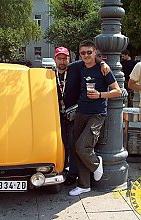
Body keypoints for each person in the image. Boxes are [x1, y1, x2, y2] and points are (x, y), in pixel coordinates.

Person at [68, 40, 121, 196]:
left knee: (82, 147)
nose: (86, 55)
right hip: (80, 112)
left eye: (89, 52)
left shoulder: (103, 70)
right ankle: (84, 185)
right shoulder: (80, 67)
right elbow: (62, 66)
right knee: (77, 149)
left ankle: (96, 164)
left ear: (95, 52)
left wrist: (100, 95)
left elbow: (117, 91)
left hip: (97, 114)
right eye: (83, 53)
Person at [53, 46, 110, 186]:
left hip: (74, 113)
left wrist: (102, 62)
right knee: (61, 143)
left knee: (74, 144)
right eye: (59, 58)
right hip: (56, 116)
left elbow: (90, 57)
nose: (62, 61)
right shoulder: (49, 74)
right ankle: (59, 170)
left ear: (69, 59)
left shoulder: (75, 68)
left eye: (65, 58)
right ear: (55, 59)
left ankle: (72, 174)